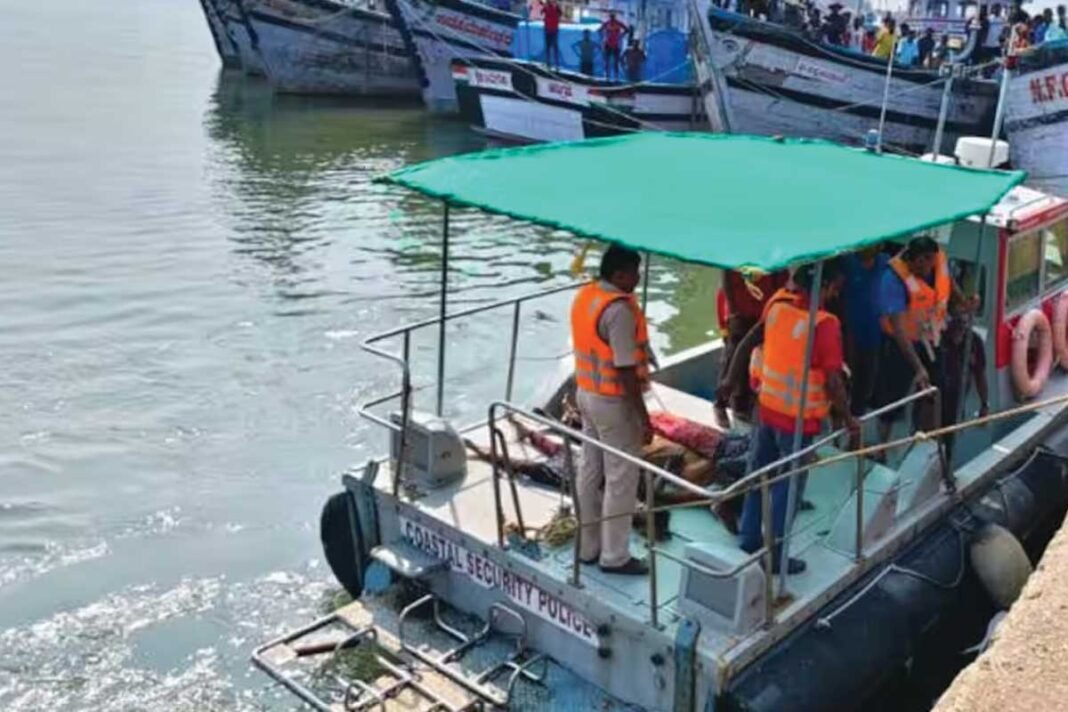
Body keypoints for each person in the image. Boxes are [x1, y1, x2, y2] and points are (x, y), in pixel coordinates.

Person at [738, 260, 856, 575]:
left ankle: (748, 537)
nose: (835, 294)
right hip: (797, 420)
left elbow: (759, 343)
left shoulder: (776, 304)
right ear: (827, 287)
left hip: (766, 409)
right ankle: (775, 556)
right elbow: (833, 379)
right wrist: (847, 418)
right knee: (787, 488)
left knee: (758, 474)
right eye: (835, 288)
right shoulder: (825, 324)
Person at [571, 244, 653, 575]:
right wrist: (643, 417)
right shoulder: (618, 311)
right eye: (635, 272)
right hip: (613, 402)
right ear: (619, 274)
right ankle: (615, 556)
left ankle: (588, 547)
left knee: (590, 469)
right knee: (621, 478)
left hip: (585, 394)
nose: (638, 278)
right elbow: (624, 369)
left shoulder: (587, 295)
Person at [873, 237, 973, 447]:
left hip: (932, 339)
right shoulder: (893, 280)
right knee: (892, 397)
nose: (929, 268)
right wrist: (918, 367)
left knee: (935, 389)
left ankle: (925, 439)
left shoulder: (938, 262)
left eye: (932, 262)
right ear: (915, 260)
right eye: (925, 263)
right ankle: (881, 445)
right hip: (900, 345)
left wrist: (965, 303)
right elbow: (898, 329)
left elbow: (949, 286)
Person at [714, 269, 789, 422]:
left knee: (755, 358)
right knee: (733, 355)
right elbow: (726, 277)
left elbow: (781, 280)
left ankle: (746, 403)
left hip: (764, 310)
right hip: (739, 310)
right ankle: (721, 403)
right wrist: (734, 311)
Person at [841, 245, 889, 417]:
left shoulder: (885, 262)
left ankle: (855, 437)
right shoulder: (847, 261)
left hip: (874, 337)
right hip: (849, 335)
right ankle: (838, 428)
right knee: (845, 383)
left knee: (865, 388)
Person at [940, 315, 989, 461]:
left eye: (963, 326)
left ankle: (947, 467)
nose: (959, 332)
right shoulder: (939, 338)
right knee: (930, 437)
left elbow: (980, 373)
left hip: (958, 399)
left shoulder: (974, 341)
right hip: (935, 398)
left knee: (951, 437)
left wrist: (984, 404)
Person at [600, 11, 629, 81]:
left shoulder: (618, 23)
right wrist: (603, 36)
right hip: (608, 44)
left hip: (616, 45)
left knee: (616, 62)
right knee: (607, 61)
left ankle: (616, 77)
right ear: (610, 17)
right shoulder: (607, 23)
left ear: (614, 17)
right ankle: (607, 76)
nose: (612, 18)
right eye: (611, 16)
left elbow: (627, 29)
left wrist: (621, 35)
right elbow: (600, 29)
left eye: (613, 16)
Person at [542, 0, 562, 70]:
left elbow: (560, 14)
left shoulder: (556, 7)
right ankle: (548, 63)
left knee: (554, 47)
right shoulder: (547, 6)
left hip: (554, 29)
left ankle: (556, 64)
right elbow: (542, 12)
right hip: (548, 29)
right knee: (548, 47)